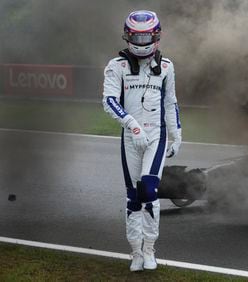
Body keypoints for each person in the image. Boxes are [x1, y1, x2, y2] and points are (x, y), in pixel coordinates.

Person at [102, 10, 182, 272]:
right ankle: (136, 252)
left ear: (156, 36)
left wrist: (176, 133)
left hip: (156, 136)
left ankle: (150, 249)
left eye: (146, 35)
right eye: (136, 36)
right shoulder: (117, 66)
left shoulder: (167, 67)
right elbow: (109, 101)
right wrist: (132, 125)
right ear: (127, 36)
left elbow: (171, 103)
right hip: (130, 138)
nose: (141, 41)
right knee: (133, 197)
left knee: (149, 189)